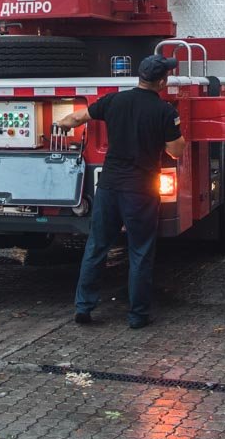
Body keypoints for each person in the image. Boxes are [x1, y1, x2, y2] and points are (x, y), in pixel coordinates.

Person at [57, 55, 186, 329]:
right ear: (162, 82)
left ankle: (84, 306)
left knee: (97, 246)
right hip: (140, 189)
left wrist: (64, 123)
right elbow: (176, 150)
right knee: (140, 250)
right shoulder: (164, 111)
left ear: (139, 77)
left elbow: (78, 117)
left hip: (109, 187)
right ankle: (137, 315)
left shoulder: (114, 100)